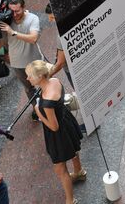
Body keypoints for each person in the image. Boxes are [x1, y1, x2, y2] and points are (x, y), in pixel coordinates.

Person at [26, 61, 85, 204]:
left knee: (61, 169)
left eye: (30, 76)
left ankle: (70, 200)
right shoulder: (55, 81)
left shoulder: (46, 101)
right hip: (67, 121)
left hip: (58, 134)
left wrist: (39, 113)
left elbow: (53, 127)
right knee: (74, 148)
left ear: (40, 77)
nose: (28, 79)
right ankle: (79, 172)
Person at [0, 0, 41, 121]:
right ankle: (36, 109)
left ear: (24, 7)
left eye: (17, 11)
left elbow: (33, 38)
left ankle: (48, 107)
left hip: (34, 60)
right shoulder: (6, 20)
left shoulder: (33, 18)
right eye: (11, 11)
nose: (14, 14)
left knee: (44, 84)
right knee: (29, 88)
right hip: (17, 63)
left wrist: (13, 32)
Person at [45, 4, 73, 89]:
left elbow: (60, 63)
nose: (50, 20)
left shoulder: (61, 35)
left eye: (52, 18)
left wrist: (48, 75)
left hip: (71, 71)